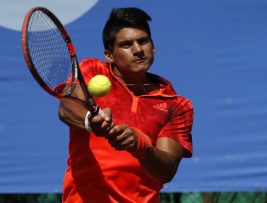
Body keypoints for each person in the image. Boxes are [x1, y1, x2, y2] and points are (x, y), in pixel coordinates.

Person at [58, 7, 194, 203]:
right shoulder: (92, 70)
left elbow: (167, 171)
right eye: (126, 44)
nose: (138, 49)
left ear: (153, 47)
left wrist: (141, 146)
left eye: (143, 41)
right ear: (109, 55)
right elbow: (67, 108)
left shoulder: (176, 105)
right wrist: (90, 121)